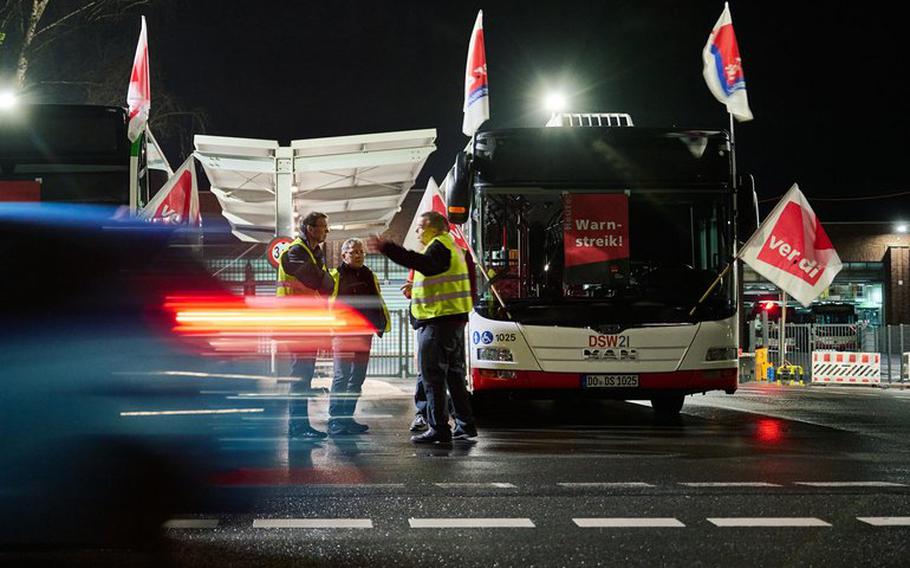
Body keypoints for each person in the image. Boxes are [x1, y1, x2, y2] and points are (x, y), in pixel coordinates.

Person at [368, 211, 478, 444]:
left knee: (433, 376)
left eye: (420, 227)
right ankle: (465, 424)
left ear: (435, 228)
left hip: (437, 320)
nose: (417, 231)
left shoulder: (438, 245)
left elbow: (424, 265)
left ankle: (438, 428)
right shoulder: (451, 247)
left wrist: (388, 248)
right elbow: (435, 275)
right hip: (452, 319)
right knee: (454, 375)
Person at [277, 211, 335, 439]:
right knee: (300, 376)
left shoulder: (314, 253)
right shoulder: (296, 251)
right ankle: (297, 427)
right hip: (296, 323)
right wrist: (324, 278)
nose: (326, 231)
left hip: (307, 323)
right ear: (310, 228)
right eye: (323, 226)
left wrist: (323, 279)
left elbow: (325, 285)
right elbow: (318, 281)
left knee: (304, 376)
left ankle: (301, 426)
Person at [327, 238, 390, 436]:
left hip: (364, 334)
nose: (359, 255)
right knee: (342, 376)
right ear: (344, 255)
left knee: (357, 378)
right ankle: (335, 421)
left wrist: (378, 323)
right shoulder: (335, 276)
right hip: (344, 334)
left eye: (361, 252)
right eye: (354, 252)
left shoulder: (369, 274)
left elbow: (376, 300)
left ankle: (347, 418)